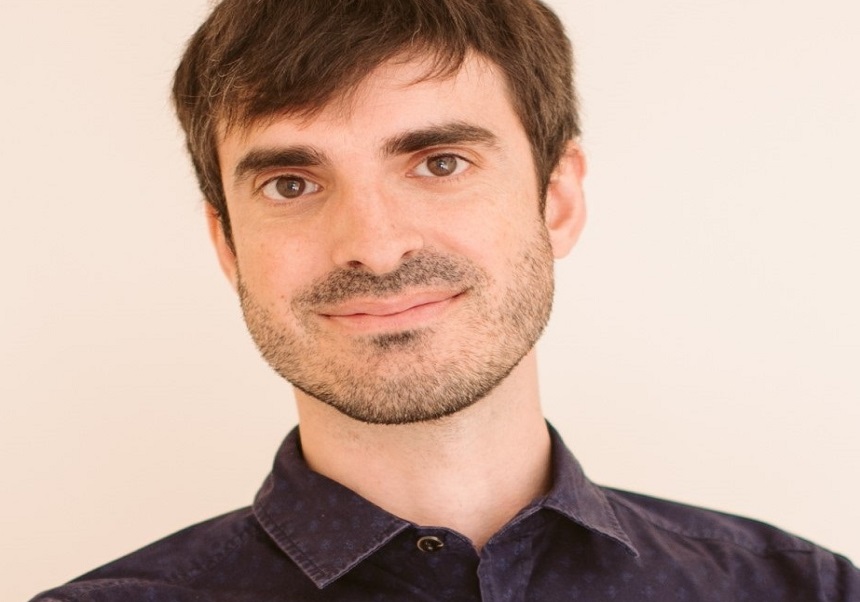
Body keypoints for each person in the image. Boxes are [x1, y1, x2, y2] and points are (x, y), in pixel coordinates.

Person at [30, 0, 859, 600]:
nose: (375, 244)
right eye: (290, 183)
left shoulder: (803, 591)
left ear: (557, 199)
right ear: (227, 243)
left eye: (440, 163)